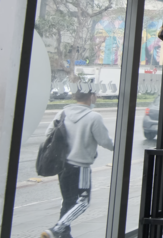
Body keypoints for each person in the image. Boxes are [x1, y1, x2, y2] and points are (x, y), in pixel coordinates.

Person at [42, 86, 114, 238]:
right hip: (81, 167)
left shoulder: (63, 113)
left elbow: (48, 133)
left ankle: (64, 235)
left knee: (68, 201)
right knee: (82, 202)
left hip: (62, 166)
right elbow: (105, 141)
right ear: (91, 97)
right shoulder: (94, 117)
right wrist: (120, 147)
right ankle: (57, 229)